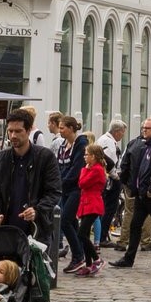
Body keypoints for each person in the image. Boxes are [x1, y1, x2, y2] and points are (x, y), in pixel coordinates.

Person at [0, 109, 61, 302]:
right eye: (10, 131)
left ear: (29, 130)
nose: (13, 136)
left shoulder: (44, 158)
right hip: (8, 234)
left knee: (36, 286)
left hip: (36, 232)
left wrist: (37, 210)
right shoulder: (1, 159)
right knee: (12, 287)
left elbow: (54, 192)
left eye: (18, 131)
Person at [110, 118, 151, 268]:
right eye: (143, 127)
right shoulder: (146, 145)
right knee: (135, 225)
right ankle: (128, 258)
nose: (144, 130)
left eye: (148, 128)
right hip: (141, 193)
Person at [54, 116, 89, 273]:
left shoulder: (80, 144)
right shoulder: (63, 144)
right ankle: (82, 253)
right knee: (73, 223)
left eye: (62, 128)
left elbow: (76, 168)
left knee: (65, 220)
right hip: (65, 189)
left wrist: (63, 182)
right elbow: (59, 166)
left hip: (76, 188)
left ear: (71, 128)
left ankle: (78, 256)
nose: (60, 130)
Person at [71, 143, 107, 276]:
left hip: (93, 204)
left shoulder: (96, 169)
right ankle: (88, 264)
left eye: (87, 154)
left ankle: (97, 259)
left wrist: (85, 170)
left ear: (94, 156)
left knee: (81, 234)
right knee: (84, 234)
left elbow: (82, 183)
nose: (84, 157)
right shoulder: (92, 168)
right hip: (87, 204)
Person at [96, 120, 127, 249]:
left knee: (107, 208)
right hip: (110, 181)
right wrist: (117, 177)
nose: (123, 135)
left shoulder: (104, 139)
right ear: (117, 131)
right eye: (122, 133)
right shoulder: (108, 142)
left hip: (107, 179)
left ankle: (103, 235)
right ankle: (102, 236)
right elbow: (109, 162)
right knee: (110, 208)